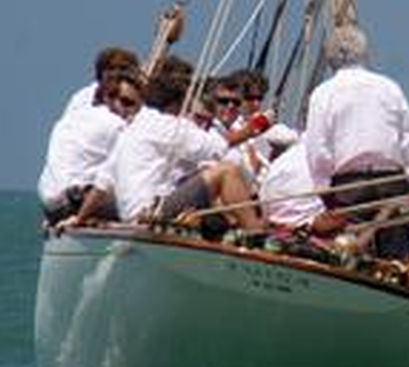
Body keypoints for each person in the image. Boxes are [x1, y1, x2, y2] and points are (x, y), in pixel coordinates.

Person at [70, 57, 265, 235]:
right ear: (178, 102)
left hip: (130, 214)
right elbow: (218, 148)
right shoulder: (169, 126)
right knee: (226, 172)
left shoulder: (134, 126)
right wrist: (257, 126)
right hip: (150, 213)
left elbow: (102, 184)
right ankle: (256, 234)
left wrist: (79, 219)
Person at [303, 24, 409, 261]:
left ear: (329, 58)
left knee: (350, 256)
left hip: (349, 187)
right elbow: (408, 135)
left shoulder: (323, 94)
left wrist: (324, 188)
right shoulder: (389, 87)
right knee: (398, 258)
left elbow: (318, 148)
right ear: (364, 52)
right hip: (392, 181)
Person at [37, 76, 140, 224]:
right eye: (127, 103)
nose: (130, 110)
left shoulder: (68, 119)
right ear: (108, 98)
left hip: (50, 207)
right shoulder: (116, 124)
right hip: (76, 203)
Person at [59, 47, 140, 119]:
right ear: (100, 74)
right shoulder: (83, 97)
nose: (116, 73)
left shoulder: (140, 97)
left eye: (123, 68)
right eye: (111, 68)